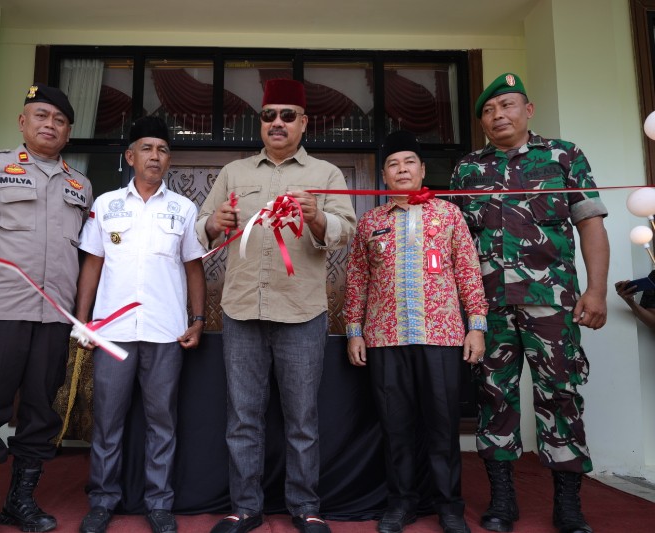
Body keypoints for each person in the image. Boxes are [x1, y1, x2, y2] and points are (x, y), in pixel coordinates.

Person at [450, 73, 610, 533]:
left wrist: (596, 290)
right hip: (487, 307)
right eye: (488, 110)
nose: (498, 115)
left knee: (561, 394)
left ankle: (568, 505)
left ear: (528, 109)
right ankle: (502, 500)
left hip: (551, 302)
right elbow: (457, 243)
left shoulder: (563, 156)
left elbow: (591, 224)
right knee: (493, 395)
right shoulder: (468, 169)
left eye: (507, 105)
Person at [197, 79, 356, 533]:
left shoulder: (326, 173)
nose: (278, 123)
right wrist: (214, 223)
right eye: (269, 115)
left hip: (301, 312)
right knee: (242, 417)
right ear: (261, 122)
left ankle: (305, 506)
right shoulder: (234, 172)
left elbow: (346, 231)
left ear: (304, 123)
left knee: (302, 418)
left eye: (288, 115)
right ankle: (245, 507)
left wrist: (317, 217)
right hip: (241, 309)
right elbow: (199, 228)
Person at [0, 84, 92, 533]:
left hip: (55, 316)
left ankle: (20, 502)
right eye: (41, 115)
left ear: (68, 132)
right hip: (0, 310)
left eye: (60, 120)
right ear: (22, 122)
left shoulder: (80, 184)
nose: (50, 124)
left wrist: (83, 314)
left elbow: (87, 256)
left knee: (41, 412)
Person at [344, 131, 487, 533]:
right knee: (396, 427)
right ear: (384, 175)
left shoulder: (449, 215)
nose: (402, 170)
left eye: (409, 162)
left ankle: (449, 506)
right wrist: (354, 330)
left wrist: (476, 326)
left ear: (423, 170)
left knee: (443, 425)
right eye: (394, 164)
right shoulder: (371, 221)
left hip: (441, 336)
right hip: (385, 338)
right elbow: (356, 279)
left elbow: (468, 272)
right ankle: (401, 502)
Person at [76, 116, 207, 533]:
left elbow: (194, 268)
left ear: (169, 160)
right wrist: (83, 320)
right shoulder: (105, 205)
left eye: (163, 150)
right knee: (107, 421)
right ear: (130, 156)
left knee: (161, 422)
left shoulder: (183, 209)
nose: (155, 156)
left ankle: (159, 503)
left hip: (165, 331)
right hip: (112, 332)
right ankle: (102, 500)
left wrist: (198, 320)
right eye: (147, 149)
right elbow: (92, 264)